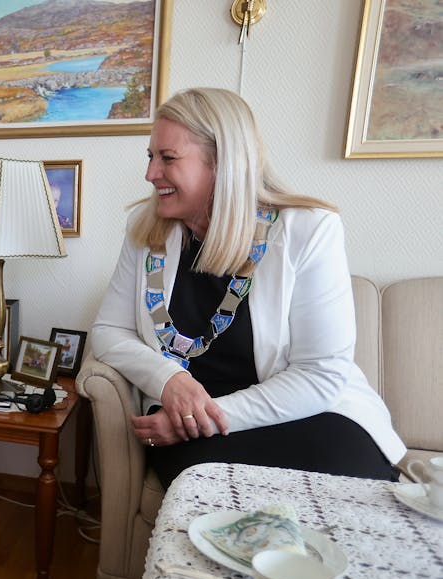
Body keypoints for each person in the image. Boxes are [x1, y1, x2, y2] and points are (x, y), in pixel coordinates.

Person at [91, 87, 405, 489]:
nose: (150, 174)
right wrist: (169, 380)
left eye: (167, 158)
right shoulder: (144, 229)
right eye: (151, 157)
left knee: (349, 482)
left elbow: (320, 375)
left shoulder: (308, 230)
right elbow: (108, 331)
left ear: (223, 164)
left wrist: (197, 419)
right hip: (190, 432)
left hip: (303, 414)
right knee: (207, 484)